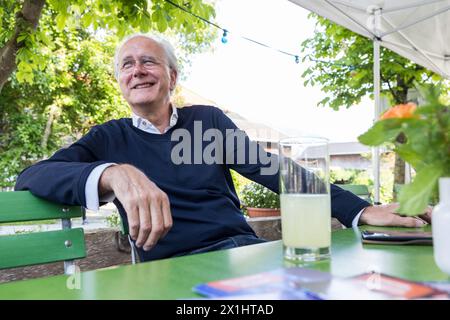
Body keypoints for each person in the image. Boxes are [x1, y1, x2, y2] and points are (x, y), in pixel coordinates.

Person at [15, 34, 431, 262]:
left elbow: (273, 169)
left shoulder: (208, 121)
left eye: (149, 61)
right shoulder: (108, 139)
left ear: (172, 76)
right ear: (121, 83)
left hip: (241, 255)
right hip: (170, 271)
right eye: (127, 64)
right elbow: (30, 177)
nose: (137, 70)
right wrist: (111, 173)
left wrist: (358, 209)